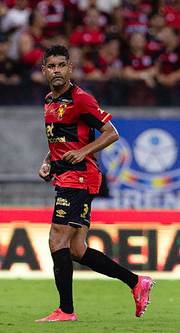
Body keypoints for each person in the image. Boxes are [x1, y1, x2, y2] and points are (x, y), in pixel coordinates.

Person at [36, 44, 153, 322]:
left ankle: (66, 311)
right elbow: (60, 140)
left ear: (70, 68)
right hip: (65, 175)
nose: (56, 71)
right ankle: (137, 283)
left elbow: (111, 133)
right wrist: (47, 161)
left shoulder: (81, 100)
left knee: (56, 238)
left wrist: (83, 152)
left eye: (61, 65)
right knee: (77, 249)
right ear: (44, 70)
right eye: (51, 66)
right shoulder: (49, 100)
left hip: (79, 176)